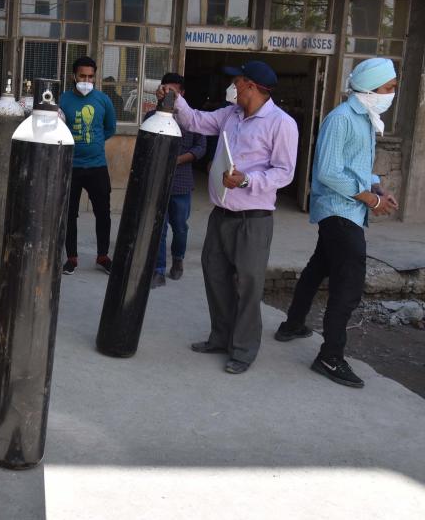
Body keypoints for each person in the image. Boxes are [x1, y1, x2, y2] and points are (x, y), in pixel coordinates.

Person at [157, 60, 298, 374]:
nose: (232, 87)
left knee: (248, 284)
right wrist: (174, 98)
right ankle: (221, 337)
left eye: (236, 81)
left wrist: (247, 181)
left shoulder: (281, 123)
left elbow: (285, 172)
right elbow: (195, 121)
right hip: (222, 213)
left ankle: (244, 350)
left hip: (254, 218)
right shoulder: (230, 115)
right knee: (215, 276)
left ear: (249, 85)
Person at [275, 58, 399, 388]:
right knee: (348, 286)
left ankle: (293, 325)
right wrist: (371, 200)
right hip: (339, 212)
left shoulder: (365, 118)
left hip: (348, 210)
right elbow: (329, 172)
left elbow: (355, 165)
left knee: (319, 267)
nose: (391, 94)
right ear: (371, 89)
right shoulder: (342, 119)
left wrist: (377, 186)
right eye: (389, 88)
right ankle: (330, 357)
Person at [143, 73, 206, 289]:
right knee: (159, 228)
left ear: (182, 94)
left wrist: (177, 160)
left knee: (180, 227)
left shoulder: (192, 120)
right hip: (158, 183)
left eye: (173, 91)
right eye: (165, 90)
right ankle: (158, 270)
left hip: (181, 183)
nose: (168, 94)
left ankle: (178, 259)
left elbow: (200, 148)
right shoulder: (151, 117)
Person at [60, 56, 117, 275]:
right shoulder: (63, 100)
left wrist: (94, 143)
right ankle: (71, 258)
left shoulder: (103, 100)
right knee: (69, 214)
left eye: (90, 76)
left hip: (97, 167)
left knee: (103, 213)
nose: (86, 80)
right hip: (71, 167)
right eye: (82, 76)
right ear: (74, 76)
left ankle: (103, 256)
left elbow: (110, 128)